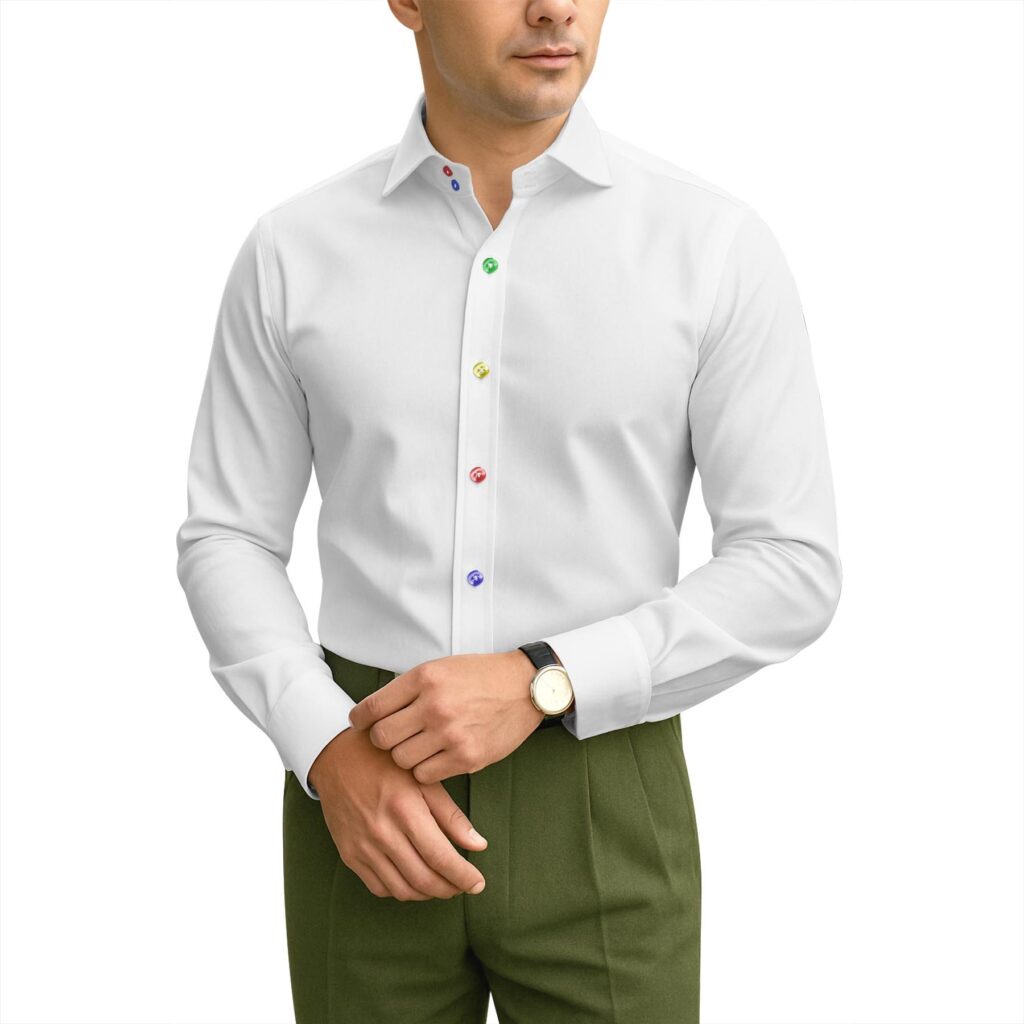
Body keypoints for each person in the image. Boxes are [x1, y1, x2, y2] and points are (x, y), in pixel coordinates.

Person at [174, 0, 843, 1020]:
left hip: (603, 783)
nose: (555, 8)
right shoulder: (295, 249)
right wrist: (322, 746)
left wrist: (544, 679)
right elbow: (228, 533)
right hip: (361, 782)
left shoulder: (710, 245)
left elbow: (790, 562)